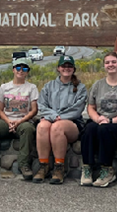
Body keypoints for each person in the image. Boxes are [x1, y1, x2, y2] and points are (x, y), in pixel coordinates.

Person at [81, 52, 117, 188]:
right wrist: (97, 118)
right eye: (107, 62)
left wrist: (112, 121)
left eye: (113, 62)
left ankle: (107, 169)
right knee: (89, 128)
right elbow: (91, 107)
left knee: (104, 129)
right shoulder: (98, 85)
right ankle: (87, 168)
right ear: (104, 66)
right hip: (100, 120)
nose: (110, 65)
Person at [34, 55, 87, 185]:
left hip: (72, 123)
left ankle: (59, 167)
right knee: (42, 126)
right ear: (58, 68)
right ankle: (44, 165)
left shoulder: (81, 87)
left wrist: (60, 117)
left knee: (57, 127)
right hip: (51, 119)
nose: (66, 68)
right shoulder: (49, 86)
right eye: (64, 66)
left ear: (73, 69)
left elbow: (78, 109)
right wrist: (53, 116)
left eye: (69, 66)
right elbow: (41, 105)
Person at [0, 58, 38, 180]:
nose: (21, 71)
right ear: (13, 70)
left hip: (23, 121)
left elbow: (34, 110)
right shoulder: (4, 87)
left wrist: (19, 121)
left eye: (24, 68)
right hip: (6, 120)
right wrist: (8, 121)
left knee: (28, 130)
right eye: (18, 68)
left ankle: (24, 164)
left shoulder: (32, 88)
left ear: (27, 72)